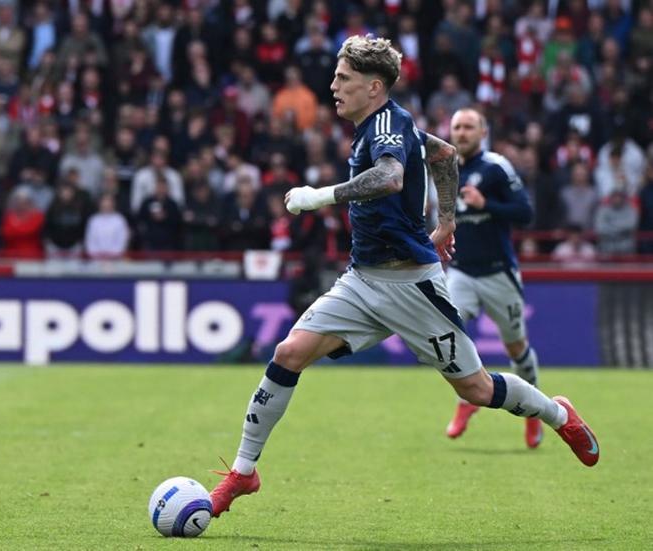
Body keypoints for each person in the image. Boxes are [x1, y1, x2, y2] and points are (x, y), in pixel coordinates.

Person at [209, 35, 600, 519]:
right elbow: (444, 155)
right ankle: (244, 473)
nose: (333, 86)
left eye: (343, 79)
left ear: (374, 87)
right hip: (362, 280)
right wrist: (449, 221)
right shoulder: (384, 122)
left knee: (476, 390)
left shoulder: (388, 124)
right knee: (289, 353)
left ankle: (558, 414)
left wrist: (320, 196)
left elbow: (390, 177)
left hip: (412, 285)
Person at [443, 108, 543, 448]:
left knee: (516, 346)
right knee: (450, 333)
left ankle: (534, 413)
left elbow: (525, 212)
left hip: (498, 272)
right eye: (457, 126)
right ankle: (467, 399)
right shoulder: (443, 169)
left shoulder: (496, 167)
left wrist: (487, 204)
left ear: (482, 132)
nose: (462, 132)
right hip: (460, 271)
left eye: (469, 126)